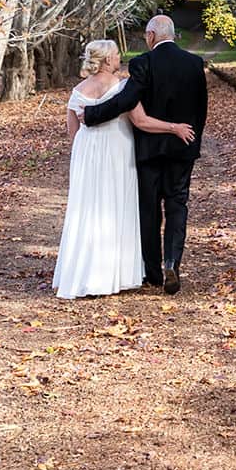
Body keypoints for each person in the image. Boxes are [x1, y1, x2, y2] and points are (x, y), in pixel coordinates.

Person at [53, 38, 194, 299]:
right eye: (117, 55)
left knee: (87, 211)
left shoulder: (77, 91)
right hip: (116, 153)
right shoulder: (121, 87)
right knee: (114, 208)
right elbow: (141, 121)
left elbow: (73, 133)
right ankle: (111, 275)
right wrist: (174, 127)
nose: (120, 58)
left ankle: (80, 274)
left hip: (86, 156)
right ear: (107, 60)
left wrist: (85, 156)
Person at [79, 15, 209, 295]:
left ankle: (152, 273)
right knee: (177, 206)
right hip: (181, 147)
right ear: (174, 35)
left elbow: (126, 101)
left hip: (148, 149)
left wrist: (91, 114)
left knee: (149, 210)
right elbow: (201, 109)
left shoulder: (142, 63)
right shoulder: (195, 64)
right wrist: (192, 141)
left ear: (150, 35)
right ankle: (172, 261)